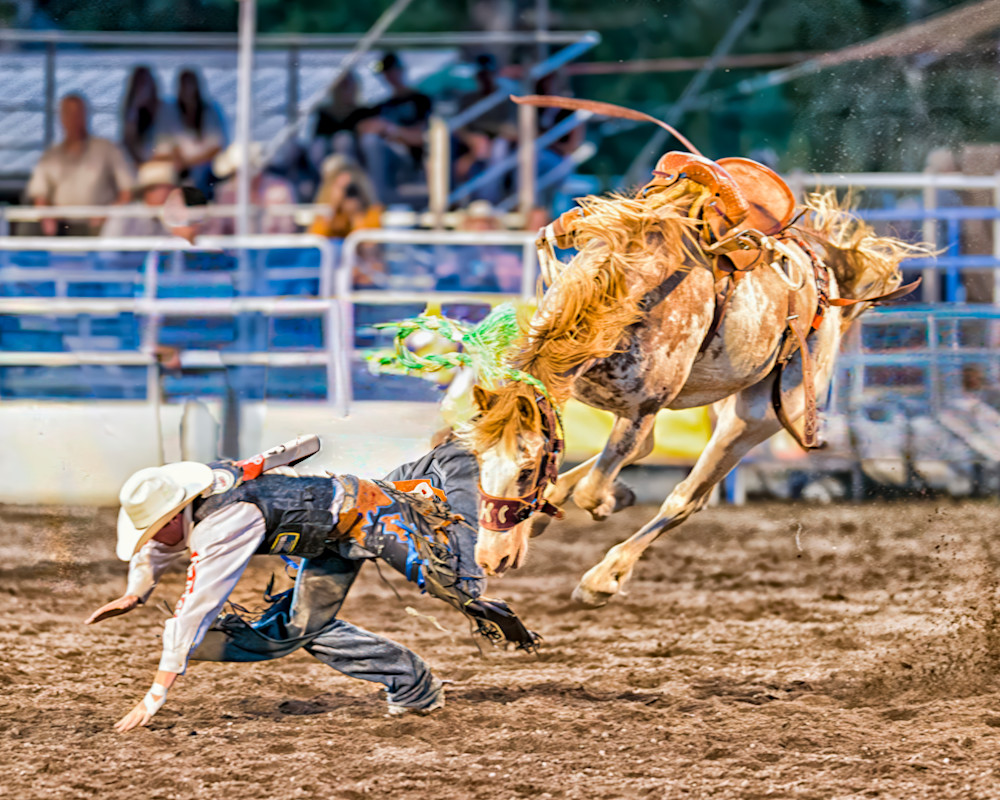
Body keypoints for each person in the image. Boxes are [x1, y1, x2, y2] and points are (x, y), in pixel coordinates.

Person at [86, 437, 539, 732]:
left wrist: (156, 693)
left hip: (370, 515)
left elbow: (198, 603)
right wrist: (136, 592)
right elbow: (158, 550)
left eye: (153, 527)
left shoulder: (224, 523)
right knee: (302, 625)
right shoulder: (204, 493)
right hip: (328, 536)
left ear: (176, 514)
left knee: (460, 582)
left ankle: (468, 472)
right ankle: (414, 685)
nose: (152, 540)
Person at [26, 94, 135, 236]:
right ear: (61, 117)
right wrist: (47, 217)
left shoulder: (108, 149)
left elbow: (128, 190)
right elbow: (39, 194)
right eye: (68, 113)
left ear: (87, 115)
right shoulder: (50, 156)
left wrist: (109, 215)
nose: (74, 119)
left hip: (101, 229)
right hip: (62, 228)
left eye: (78, 113)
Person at [358, 52, 432, 205]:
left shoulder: (420, 100)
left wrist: (392, 130)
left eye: (393, 70)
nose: (390, 76)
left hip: (410, 162)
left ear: (401, 70)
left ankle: (377, 202)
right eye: (386, 72)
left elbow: (424, 137)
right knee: (369, 140)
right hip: (387, 161)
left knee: (371, 141)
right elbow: (363, 128)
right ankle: (374, 199)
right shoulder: (382, 105)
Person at [453, 54, 516, 204]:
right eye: (481, 74)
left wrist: (490, 138)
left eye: (488, 74)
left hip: (499, 148)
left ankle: (489, 202)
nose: (485, 78)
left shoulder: (506, 99)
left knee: (499, 149)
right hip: (471, 149)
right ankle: (465, 203)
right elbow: (458, 127)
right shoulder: (468, 100)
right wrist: (472, 140)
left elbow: (516, 131)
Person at [207, 142, 298, 234]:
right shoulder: (225, 192)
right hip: (234, 247)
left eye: (240, 172)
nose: (237, 178)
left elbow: (286, 231)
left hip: (273, 247)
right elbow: (217, 232)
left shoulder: (280, 189)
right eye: (234, 173)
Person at [170, 69, 228, 197]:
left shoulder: (210, 111)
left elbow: (217, 146)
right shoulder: (173, 112)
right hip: (182, 175)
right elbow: (170, 145)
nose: (187, 88)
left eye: (190, 83)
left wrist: (190, 162)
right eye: (184, 84)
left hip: (208, 172)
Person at [308, 156, 383, 239]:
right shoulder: (324, 212)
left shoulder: (371, 212)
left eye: (350, 187)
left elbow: (369, 249)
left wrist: (357, 218)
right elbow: (315, 243)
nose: (347, 193)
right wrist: (331, 210)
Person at [100, 159, 178, 237]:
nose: (170, 194)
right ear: (147, 191)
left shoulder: (172, 217)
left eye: (171, 189)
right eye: (164, 189)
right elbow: (108, 245)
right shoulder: (124, 215)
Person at [120, 66, 178, 168]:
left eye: (145, 82)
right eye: (139, 84)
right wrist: (135, 108)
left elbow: (174, 143)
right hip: (142, 164)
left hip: (165, 163)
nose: (143, 88)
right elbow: (127, 142)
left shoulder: (167, 108)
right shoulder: (132, 112)